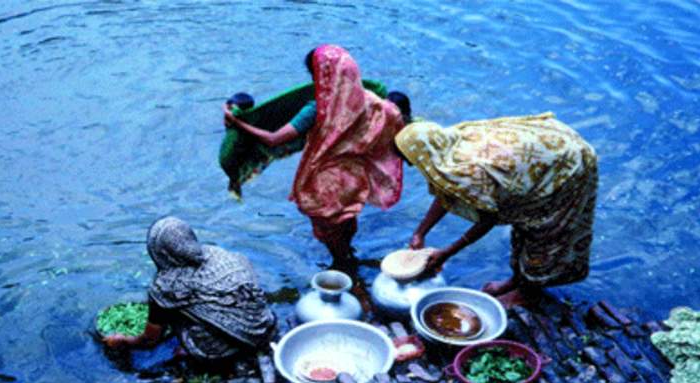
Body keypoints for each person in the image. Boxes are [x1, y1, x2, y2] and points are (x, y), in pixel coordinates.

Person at [224, 45, 412, 266]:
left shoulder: (317, 109)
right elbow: (395, 123)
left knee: (331, 234)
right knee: (348, 222)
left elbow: (273, 139)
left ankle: (344, 268)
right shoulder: (369, 101)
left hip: (326, 183)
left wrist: (238, 123)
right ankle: (349, 256)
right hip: (353, 179)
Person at [394, 112, 597, 307]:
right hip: (546, 150)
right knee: (522, 224)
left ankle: (527, 294)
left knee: (544, 232)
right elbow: (446, 192)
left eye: (410, 159)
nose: (410, 165)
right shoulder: (445, 143)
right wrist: (420, 233)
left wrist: (447, 253)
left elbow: (489, 218)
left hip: (566, 165)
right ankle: (517, 280)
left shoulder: (472, 170)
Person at [103, 216, 276, 361]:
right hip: (267, 326)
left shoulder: (165, 287)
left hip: (230, 349)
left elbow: (149, 340)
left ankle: (195, 354)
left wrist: (123, 340)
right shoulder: (219, 253)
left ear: (158, 253)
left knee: (170, 315)